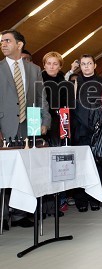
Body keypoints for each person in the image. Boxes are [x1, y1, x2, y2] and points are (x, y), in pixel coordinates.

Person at [0, 29, 50, 229]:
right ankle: (3, 216)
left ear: (19, 45)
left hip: (29, 126)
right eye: (2, 41)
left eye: (7, 41)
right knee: (4, 172)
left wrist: (45, 121)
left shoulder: (34, 69)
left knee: (27, 171)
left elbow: (40, 98)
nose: (3, 44)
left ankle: (22, 213)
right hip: (4, 127)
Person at [72, 54, 102, 212]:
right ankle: (81, 199)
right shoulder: (75, 82)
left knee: (96, 165)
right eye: (83, 64)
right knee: (80, 166)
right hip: (79, 129)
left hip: (97, 128)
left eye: (89, 63)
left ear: (95, 65)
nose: (86, 66)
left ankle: (95, 198)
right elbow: (72, 105)